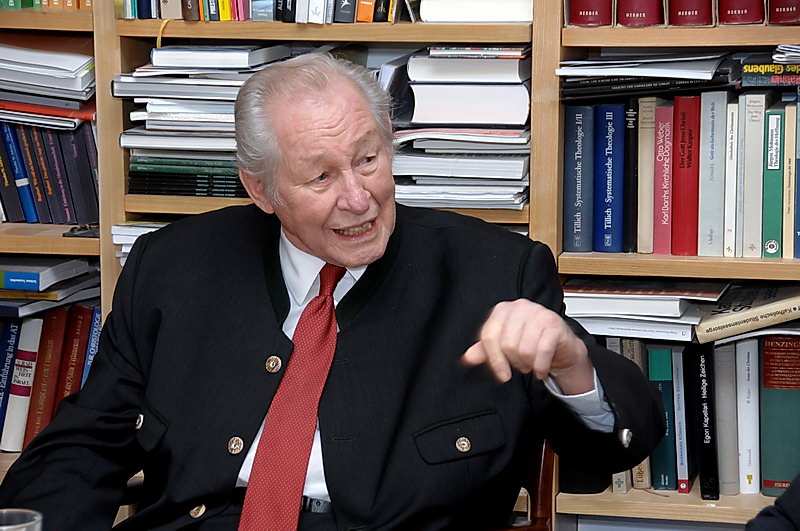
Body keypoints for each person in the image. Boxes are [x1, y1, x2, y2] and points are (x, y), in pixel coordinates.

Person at [0, 53, 664, 530]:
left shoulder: (496, 273)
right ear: (260, 189)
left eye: (368, 159)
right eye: (320, 176)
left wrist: (573, 363)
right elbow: (85, 445)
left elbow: (613, 448)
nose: (358, 197)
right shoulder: (172, 266)